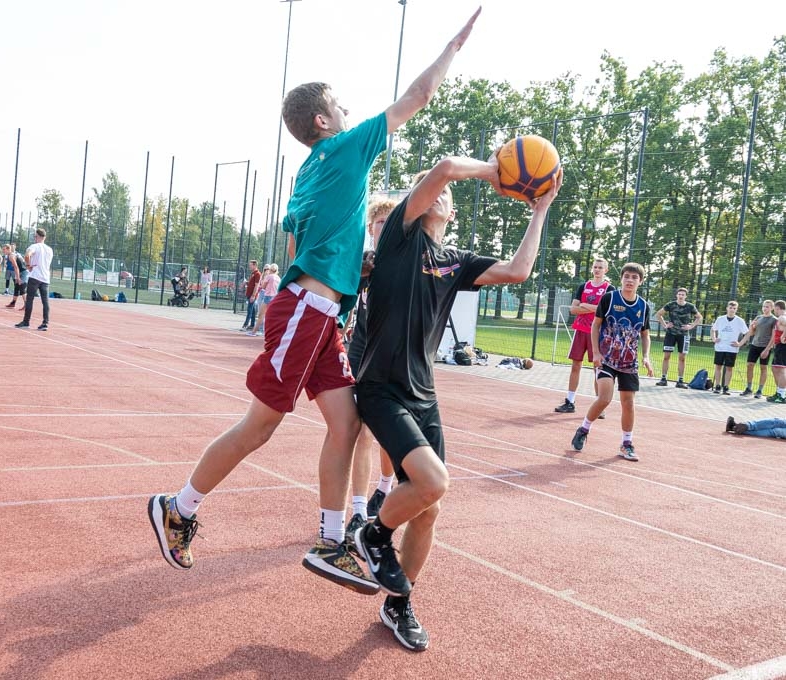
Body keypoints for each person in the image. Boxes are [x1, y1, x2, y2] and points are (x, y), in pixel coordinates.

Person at [148, 8, 485, 599]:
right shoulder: (348, 149)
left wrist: (345, 266)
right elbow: (419, 94)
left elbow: (299, 242)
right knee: (260, 427)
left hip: (319, 312)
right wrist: (454, 45)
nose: (356, 116)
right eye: (345, 109)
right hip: (307, 310)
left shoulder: (310, 172)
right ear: (326, 121)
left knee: (348, 421)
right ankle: (177, 506)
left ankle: (334, 541)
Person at [354, 160, 559, 651]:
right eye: (435, 194)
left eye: (449, 198)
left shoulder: (454, 259)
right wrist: (497, 172)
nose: (444, 197)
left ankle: (397, 605)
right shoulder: (401, 236)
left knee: (429, 507)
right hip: (381, 386)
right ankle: (373, 534)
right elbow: (445, 168)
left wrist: (542, 208)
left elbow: (518, 270)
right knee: (433, 481)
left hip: (424, 393)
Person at [345, 199, 398, 538]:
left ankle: (385, 485)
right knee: (361, 430)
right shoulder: (361, 263)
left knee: (387, 435)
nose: (385, 227)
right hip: (361, 352)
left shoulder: (405, 262)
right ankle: (360, 511)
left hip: (393, 357)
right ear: (371, 227)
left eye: (390, 222)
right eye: (380, 222)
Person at [571, 263, 654, 462]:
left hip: (629, 362)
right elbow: (595, 325)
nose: (630, 280)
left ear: (640, 282)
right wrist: (597, 353)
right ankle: (583, 429)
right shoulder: (609, 298)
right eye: (627, 276)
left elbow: (645, 334)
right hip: (607, 359)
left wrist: (646, 356)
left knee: (629, 403)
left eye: (634, 277)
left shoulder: (643, 306)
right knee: (605, 398)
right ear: (621, 278)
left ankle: (626, 443)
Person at [555, 258, 615, 412]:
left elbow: (606, 311)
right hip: (580, 330)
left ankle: (599, 406)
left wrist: (586, 306)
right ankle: (570, 401)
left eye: (600, 267)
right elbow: (573, 309)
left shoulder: (609, 289)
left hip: (598, 332)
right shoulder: (584, 286)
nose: (597, 269)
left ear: (605, 270)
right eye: (595, 267)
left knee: (597, 368)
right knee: (576, 365)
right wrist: (594, 308)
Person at [654, 288, 702, 388]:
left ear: (686, 296)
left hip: (684, 335)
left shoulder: (690, 306)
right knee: (666, 356)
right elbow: (658, 314)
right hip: (670, 334)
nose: (681, 296)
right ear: (676, 295)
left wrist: (691, 326)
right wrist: (665, 325)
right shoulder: (670, 305)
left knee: (682, 358)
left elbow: (699, 317)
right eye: (679, 294)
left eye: (683, 295)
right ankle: (663, 379)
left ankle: (680, 381)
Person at [16, 228, 53, 331]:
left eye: (35, 236)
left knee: (30, 299)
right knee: (45, 301)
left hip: (35, 276)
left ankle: (26, 321)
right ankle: (45, 323)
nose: (34, 238)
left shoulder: (35, 246)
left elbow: (27, 255)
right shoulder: (49, 249)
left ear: (38, 237)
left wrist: (28, 265)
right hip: (45, 277)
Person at [737, 300, 776, 398]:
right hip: (755, 345)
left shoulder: (774, 320)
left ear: (772, 308)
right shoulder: (758, 318)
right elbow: (752, 333)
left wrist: (767, 349)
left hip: (765, 347)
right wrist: (752, 326)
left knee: (763, 367)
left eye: (767, 307)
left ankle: (759, 390)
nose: (765, 308)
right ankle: (749, 388)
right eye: (764, 306)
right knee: (749, 365)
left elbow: (773, 336)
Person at [710, 301, 749, 394]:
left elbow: (747, 333)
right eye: (730, 308)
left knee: (729, 368)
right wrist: (714, 338)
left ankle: (726, 387)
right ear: (727, 308)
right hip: (720, 347)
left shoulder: (740, 321)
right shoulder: (720, 319)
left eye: (734, 308)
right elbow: (713, 329)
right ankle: (718, 386)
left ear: (736, 309)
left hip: (732, 348)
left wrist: (740, 343)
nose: (732, 310)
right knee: (718, 366)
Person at [249, 264, 280, 336]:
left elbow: (263, 286)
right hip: (275, 297)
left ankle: (254, 332)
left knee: (261, 315)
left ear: (270, 270)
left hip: (268, 297)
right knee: (271, 316)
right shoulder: (278, 278)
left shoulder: (269, 276)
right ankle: (268, 332)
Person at [763, 309, 786, 404]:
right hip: (778, 346)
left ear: (777, 308)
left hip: (782, 345)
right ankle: (779, 392)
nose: (774, 311)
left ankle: (782, 395)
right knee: (775, 368)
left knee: (781, 369)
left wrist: (783, 336)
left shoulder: (782, 317)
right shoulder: (780, 318)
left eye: (775, 309)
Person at [2, 244, 28, 309]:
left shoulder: (11, 256)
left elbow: (16, 267)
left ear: (8, 249)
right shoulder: (13, 254)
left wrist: (18, 277)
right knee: (16, 287)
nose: (3, 251)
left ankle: (26, 304)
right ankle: (13, 303)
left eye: (4, 249)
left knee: (21, 287)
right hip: (21, 271)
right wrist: (17, 277)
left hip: (24, 272)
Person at [238, 260, 261, 332]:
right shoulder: (253, 273)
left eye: (251, 265)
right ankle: (252, 325)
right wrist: (246, 283)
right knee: (253, 311)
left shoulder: (258, 274)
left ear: (255, 265)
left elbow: (257, 286)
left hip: (252, 295)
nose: (249, 266)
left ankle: (245, 325)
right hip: (249, 294)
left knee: (249, 310)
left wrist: (253, 295)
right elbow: (251, 284)